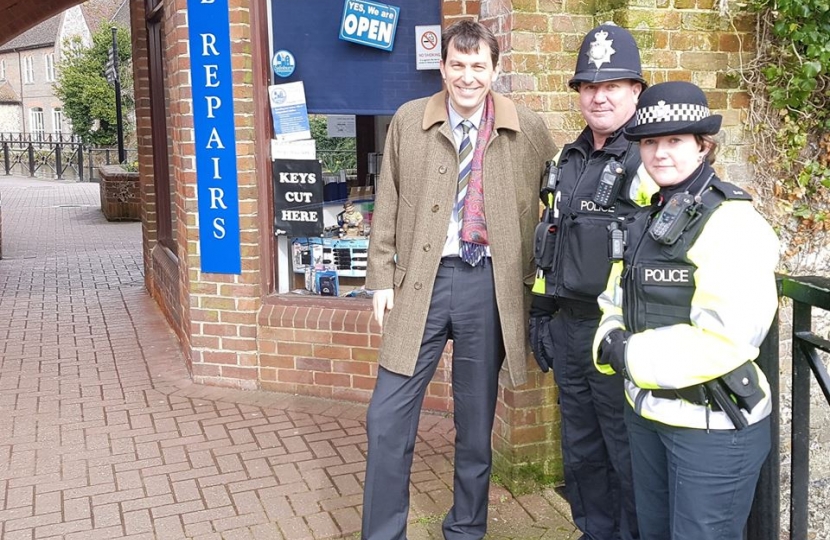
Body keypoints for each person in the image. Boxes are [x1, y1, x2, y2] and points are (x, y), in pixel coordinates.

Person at [362, 19, 556, 540]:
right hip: (419, 282)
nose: (468, 77)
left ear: (494, 69)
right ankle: (383, 533)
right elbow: (389, 202)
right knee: (386, 417)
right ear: (443, 67)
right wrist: (381, 276)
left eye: (479, 66)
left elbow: (557, 204)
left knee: (474, 425)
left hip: (488, 287)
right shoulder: (408, 121)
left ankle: (466, 528)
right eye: (458, 65)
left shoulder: (528, 128)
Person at [592, 81, 779, 539]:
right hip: (650, 415)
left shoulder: (732, 222)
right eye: (650, 141)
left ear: (702, 146)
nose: (659, 153)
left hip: (711, 428)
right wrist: (609, 339)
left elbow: (725, 338)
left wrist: (627, 355)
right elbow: (615, 298)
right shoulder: (650, 214)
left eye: (674, 140)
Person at [528, 23, 653, 540]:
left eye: (612, 86)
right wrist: (540, 315)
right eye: (589, 86)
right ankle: (593, 531)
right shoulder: (566, 159)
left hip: (617, 331)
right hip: (569, 328)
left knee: (626, 449)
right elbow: (548, 244)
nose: (599, 96)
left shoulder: (648, 159)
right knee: (580, 448)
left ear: (636, 91)